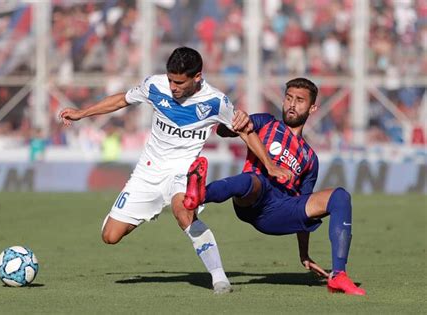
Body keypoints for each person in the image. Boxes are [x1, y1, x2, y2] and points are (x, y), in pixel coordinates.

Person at [59, 46, 290, 294]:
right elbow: (121, 100)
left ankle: (219, 277)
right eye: (170, 80)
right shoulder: (155, 86)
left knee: (184, 212)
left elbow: (245, 131)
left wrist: (269, 164)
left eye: (179, 82)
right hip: (148, 172)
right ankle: (148, 207)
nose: (173, 87)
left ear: (197, 77)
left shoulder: (215, 101)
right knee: (110, 236)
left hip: (183, 171)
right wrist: (82, 113)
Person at [183, 77, 366, 296]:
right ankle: (198, 195)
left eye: (299, 100)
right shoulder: (267, 123)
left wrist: (304, 254)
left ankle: (339, 275)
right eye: (288, 98)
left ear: (313, 107)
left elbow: (304, 207)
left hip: (281, 211)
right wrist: (233, 122)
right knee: (252, 179)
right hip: (254, 198)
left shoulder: (310, 158)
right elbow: (225, 131)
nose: (291, 104)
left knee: (340, 197)